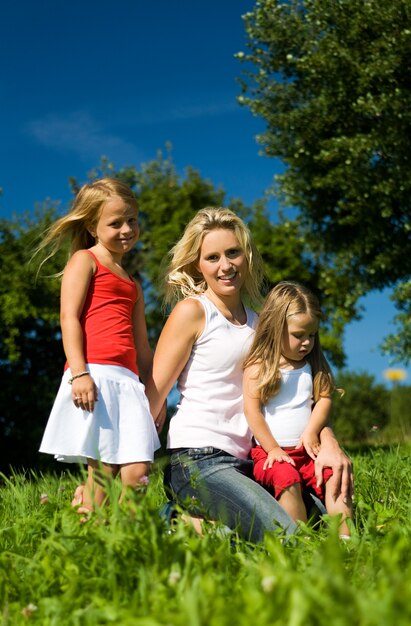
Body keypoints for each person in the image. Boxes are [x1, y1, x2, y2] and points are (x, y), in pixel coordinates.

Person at [147, 207, 353, 543]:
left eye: (233, 253)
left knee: (317, 521)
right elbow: (153, 395)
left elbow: (300, 393)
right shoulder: (194, 312)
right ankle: (165, 519)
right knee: (286, 536)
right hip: (199, 459)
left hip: (253, 460)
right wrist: (128, 471)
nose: (225, 266)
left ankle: (197, 526)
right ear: (198, 264)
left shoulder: (263, 323)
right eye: (212, 257)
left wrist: (327, 439)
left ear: (247, 256)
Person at [38, 178, 160, 514]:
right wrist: (79, 373)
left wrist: (155, 394)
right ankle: (89, 537)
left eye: (132, 220)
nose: (127, 229)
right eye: (115, 222)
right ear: (92, 226)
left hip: (129, 384)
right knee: (104, 471)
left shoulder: (133, 284)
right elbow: (68, 317)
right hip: (95, 374)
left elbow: (143, 346)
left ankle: (124, 541)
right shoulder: (85, 260)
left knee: (138, 473)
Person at [243, 281, 353, 538]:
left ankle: (346, 537)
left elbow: (324, 398)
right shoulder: (259, 367)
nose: (306, 342)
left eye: (311, 335)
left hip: (307, 449)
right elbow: (253, 412)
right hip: (270, 452)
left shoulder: (312, 365)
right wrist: (273, 449)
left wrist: (312, 432)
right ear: (274, 328)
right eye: (298, 335)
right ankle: (299, 539)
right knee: (287, 479)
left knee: (332, 474)